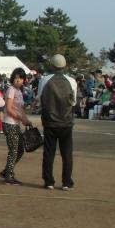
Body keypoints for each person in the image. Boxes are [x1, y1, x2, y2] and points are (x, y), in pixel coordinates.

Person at [38, 54, 77, 190]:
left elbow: (40, 98)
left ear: (52, 65)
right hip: (66, 121)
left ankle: (49, 181)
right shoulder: (72, 81)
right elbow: (74, 102)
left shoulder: (44, 80)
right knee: (67, 153)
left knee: (49, 152)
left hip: (49, 121)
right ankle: (66, 181)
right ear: (64, 65)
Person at [0, 68, 32, 186]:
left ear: (24, 80)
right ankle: (9, 176)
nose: (17, 80)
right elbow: (8, 109)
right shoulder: (11, 90)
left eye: (20, 78)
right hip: (10, 123)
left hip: (15, 124)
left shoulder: (19, 91)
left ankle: (7, 171)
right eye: (15, 78)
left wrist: (26, 120)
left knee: (19, 150)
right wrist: (22, 118)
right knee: (14, 150)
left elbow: (21, 109)